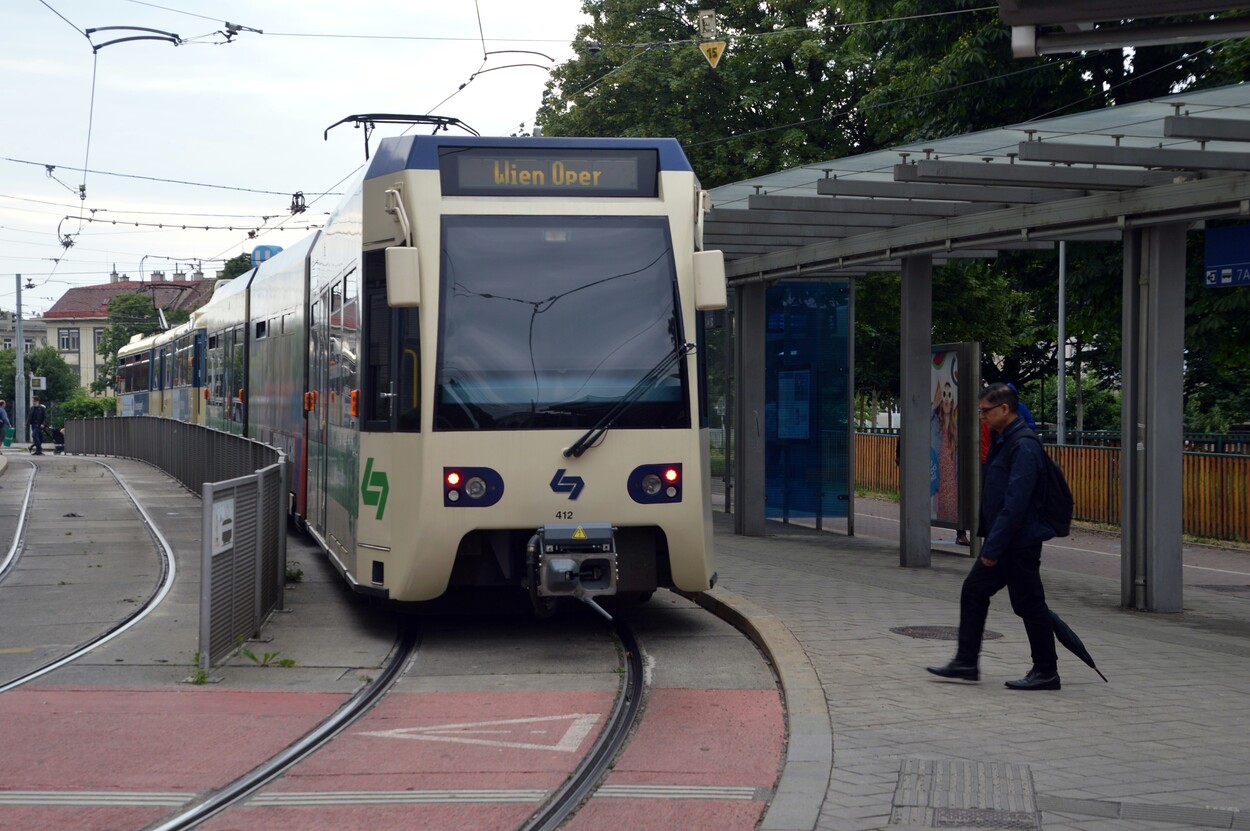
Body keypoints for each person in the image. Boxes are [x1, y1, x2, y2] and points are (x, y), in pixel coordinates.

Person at [926, 382, 1061, 691]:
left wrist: (994, 546)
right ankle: (966, 661)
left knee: (1030, 604)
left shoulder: (1023, 446)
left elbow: (1015, 502)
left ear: (1004, 409)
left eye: (986, 410)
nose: (981, 416)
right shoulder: (1006, 440)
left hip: (1018, 543)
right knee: (974, 591)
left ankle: (1046, 671)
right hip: (1007, 541)